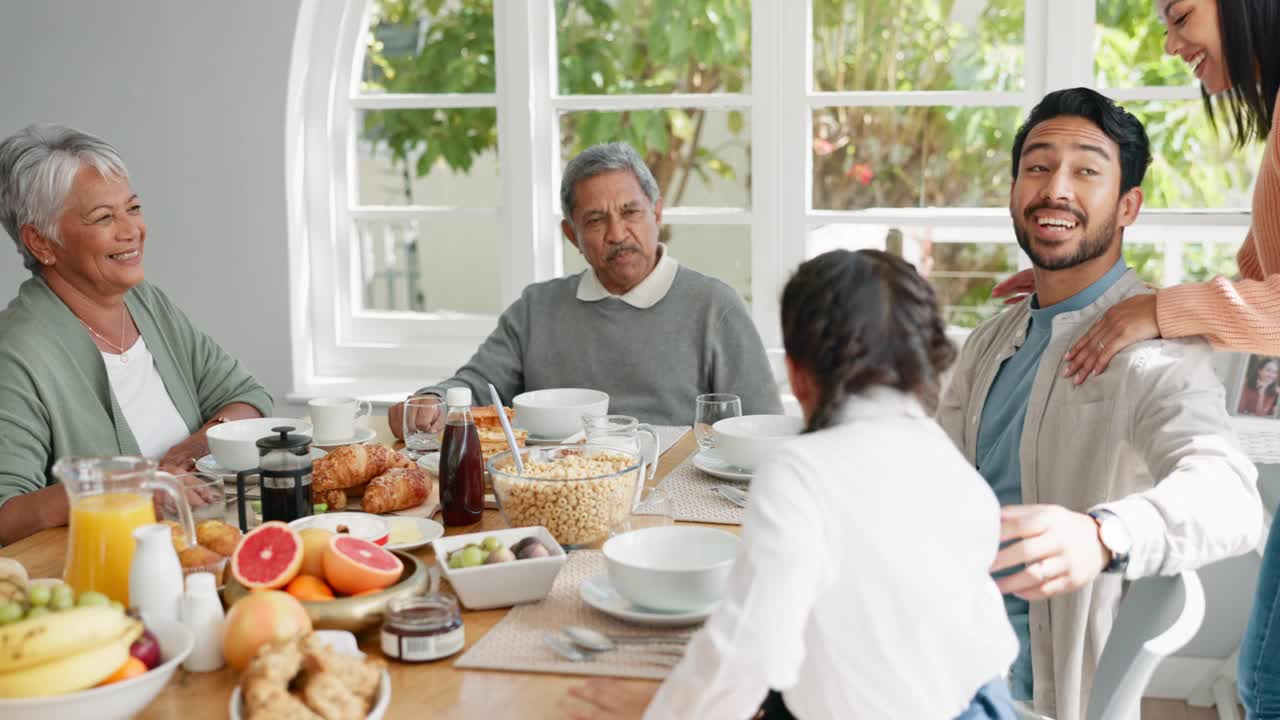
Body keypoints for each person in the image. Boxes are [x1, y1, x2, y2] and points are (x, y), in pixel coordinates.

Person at [565, 250, 1020, 720]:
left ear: (801, 373)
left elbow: (750, 648)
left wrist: (655, 712)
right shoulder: (949, 463)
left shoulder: (802, 470)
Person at [989, 4, 1280, 716]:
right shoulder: (992, 343)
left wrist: (1155, 311)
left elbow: (1228, 496)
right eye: (1037, 167)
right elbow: (1260, 279)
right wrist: (1085, 290)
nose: (1171, 42)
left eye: (1181, 15)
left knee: (1266, 686)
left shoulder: (1153, 369)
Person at [389, 142, 780, 436]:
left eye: (630, 212)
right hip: (554, 501)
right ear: (571, 234)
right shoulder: (536, 308)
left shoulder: (715, 307)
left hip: (674, 503)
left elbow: (764, 433)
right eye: (595, 220)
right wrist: (433, 400)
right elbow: (475, 387)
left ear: (656, 213)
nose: (617, 233)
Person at [0, 125, 271, 545]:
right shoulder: (16, 351)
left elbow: (247, 397)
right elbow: (6, 514)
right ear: (41, 243)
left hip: (203, 547)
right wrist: (135, 488)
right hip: (103, 576)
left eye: (133, 208)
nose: (132, 231)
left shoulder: (146, 304)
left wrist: (198, 444)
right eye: (104, 217)